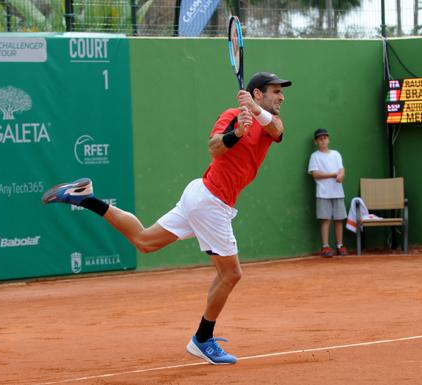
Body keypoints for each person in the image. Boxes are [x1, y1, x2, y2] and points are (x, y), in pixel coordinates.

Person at [41, 72, 292, 365]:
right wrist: (236, 133)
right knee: (231, 274)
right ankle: (202, 339)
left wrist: (256, 110)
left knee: (145, 241)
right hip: (210, 201)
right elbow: (214, 147)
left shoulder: (266, 121)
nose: (282, 97)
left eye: (281, 92)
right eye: (276, 91)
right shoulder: (233, 115)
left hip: (203, 197)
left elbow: (277, 131)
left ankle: (85, 198)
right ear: (258, 93)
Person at [307, 128, 348, 257]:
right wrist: (333, 174)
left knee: (339, 219)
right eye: (320, 138)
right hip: (323, 193)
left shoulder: (336, 154)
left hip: (338, 192)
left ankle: (340, 246)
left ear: (328, 139)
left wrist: (341, 175)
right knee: (325, 220)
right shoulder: (315, 156)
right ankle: (325, 247)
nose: (323, 140)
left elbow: (342, 170)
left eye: (325, 138)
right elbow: (315, 174)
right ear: (316, 142)